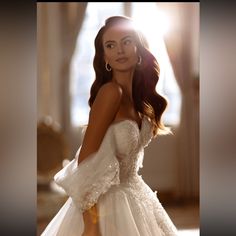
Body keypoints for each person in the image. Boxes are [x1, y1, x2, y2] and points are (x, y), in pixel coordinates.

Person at [41, 15, 178, 236]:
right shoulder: (110, 93)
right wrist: (92, 223)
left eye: (127, 41)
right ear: (105, 56)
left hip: (136, 195)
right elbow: (85, 159)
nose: (120, 50)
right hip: (106, 204)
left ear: (138, 47)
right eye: (110, 45)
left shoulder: (139, 100)